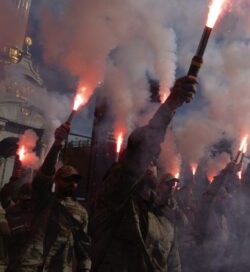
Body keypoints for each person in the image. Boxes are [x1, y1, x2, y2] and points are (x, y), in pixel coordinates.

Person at [90, 75, 196, 272]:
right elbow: (138, 154)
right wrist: (170, 106)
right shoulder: (114, 202)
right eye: (147, 160)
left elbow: (173, 265)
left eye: (154, 161)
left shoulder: (165, 219)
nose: (149, 165)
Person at [11, 123, 91, 272]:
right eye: (67, 179)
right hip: (31, 265)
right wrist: (57, 143)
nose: (72, 184)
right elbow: (44, 176)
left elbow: (83, 246)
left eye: (75, 181)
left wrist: (85, 268)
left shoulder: (81, 212)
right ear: (56, 180)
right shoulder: (44, 199)